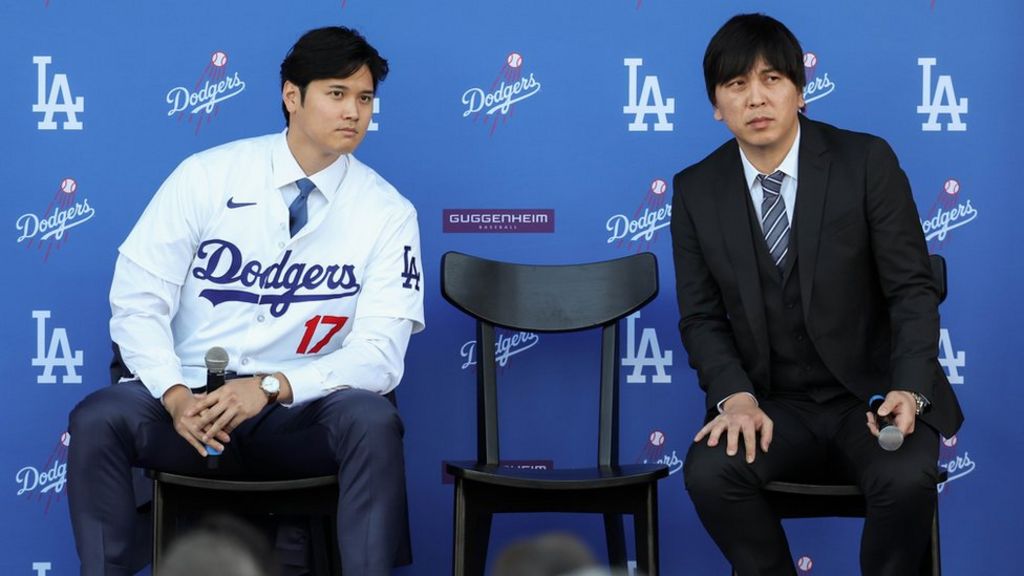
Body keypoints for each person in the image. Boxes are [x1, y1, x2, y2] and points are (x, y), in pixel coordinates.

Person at [67, 26, 424, 576]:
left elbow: (379, 355)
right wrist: (175, 394)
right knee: (98, 419)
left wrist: (270, 387)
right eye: (336, 93)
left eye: (365, 98)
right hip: (191, 410)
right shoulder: (206, 176)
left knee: (371, 421)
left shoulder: (388, 212)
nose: (354, 111)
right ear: (291, 97)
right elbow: (137, 303)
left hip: (296, 412)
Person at [670, 13, 963, 576]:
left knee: (906, 477)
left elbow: (911, 291)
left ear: (800, 92)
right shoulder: (695, 190)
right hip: (772, 406)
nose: (756, 98)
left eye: (772, 80)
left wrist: (909, 390)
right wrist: (736, 399)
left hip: (871, 399)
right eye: (736, 85)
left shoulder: (866, 162)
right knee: (710, 471)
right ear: (715, 104)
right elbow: (701, 317)